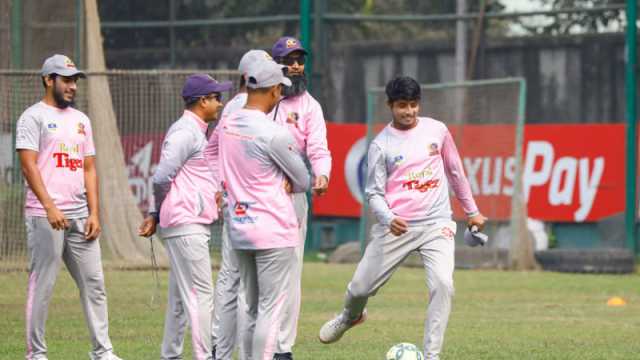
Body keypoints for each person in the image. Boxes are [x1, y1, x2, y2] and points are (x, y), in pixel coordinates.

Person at [318, 76, 486, 360]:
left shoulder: (437, 131)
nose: (408, 111)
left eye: (413, 105)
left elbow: (455, 171)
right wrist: (388, 218)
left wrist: (472, 211)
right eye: (401, 106)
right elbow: (373, 193)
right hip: (397, 227)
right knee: (360, 288)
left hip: (437, 224)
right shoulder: (381, 144)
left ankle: (431, 356)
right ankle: (350, 316)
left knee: (443, 285)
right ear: (390, 106)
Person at [16, 54, 122, 360]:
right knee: (43, 286)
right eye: (66, 79)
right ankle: (35, 354)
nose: (72, 86)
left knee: (95, 284)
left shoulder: (81, 121)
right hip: (45, 216)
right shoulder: (32, 117)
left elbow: (89, 168)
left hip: (80, 217)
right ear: (48, 80)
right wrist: (49, 207)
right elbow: (28, 166)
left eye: (75, 80)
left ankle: (103, 352)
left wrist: (95, 213)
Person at [218, 58, 310, 360]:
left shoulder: (228, 124)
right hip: (273, 230)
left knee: (253, 307)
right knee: (271, 309)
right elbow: (303, 179)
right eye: (279, 91)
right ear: (271, 90)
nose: (281, 96)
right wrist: (287, 180)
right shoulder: (274, 133)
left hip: (240, 228)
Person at [138, 74, 231, 360]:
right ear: (202, 101)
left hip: (186, 221)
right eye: (216, 97)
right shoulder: (184, 132)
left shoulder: (195, 130)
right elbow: (162, 176)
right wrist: (157, 210)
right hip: (185, 222)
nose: (220, 103)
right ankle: (206, 356)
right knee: (202, 295)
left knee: (180, 298)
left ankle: (170, 355)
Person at [269, 36, 332, 360]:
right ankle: (229, 342)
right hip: (256, 196)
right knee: (244, 273)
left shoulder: (310, 105)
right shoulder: (259, 100)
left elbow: (319, 149)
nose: (295, 66)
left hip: (292, 198)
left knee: (291, 273)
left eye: (299, 60)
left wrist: (322, 175)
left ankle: (282, 349)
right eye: (288, 59)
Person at [210, 49, 272, 360]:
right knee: (238, 281)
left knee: (242, 283)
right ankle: (222, 350)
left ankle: (235, 351)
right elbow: (214, 151)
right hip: (243, 206)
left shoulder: (265, 105)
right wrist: (220, 185)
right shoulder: (238, 108)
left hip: (259, 206)